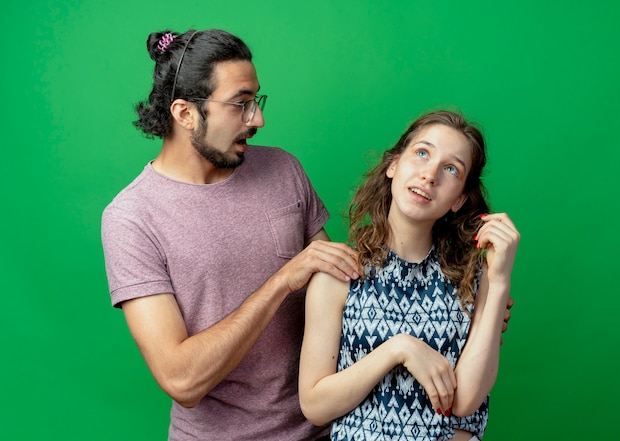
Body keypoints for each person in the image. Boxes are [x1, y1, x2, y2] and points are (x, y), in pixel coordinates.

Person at [101, 28, 362, 441]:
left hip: (325, 433)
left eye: (256, 101)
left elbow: (346, 287)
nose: (257, 119)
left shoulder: (283, 170)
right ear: (185, 113)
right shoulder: (132, 218)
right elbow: (181, 380)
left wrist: (459, 301)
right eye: (240, 104)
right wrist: (280, 282)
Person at [298, 110, 520, 441]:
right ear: (393, 165)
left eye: (451, 169)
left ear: (459, 199)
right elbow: (315, 405)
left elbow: (465, 401)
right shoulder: (339, 273)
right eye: (421, 153)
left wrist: (500, 281)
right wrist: (397, 349)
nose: (430, 175)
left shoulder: (476, 275)